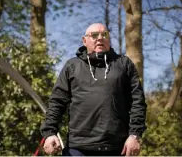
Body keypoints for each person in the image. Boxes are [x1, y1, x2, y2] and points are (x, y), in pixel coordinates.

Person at [40, 23, 147, 156]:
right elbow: (57, 102)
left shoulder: (124, 64)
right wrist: (50, 133)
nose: (100, 38)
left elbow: (138, 102)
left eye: (104, 34)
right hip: (77, 148)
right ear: (84, 41)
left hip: (117, 148)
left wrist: (135, 135)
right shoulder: (72, 66)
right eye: (94, 35)